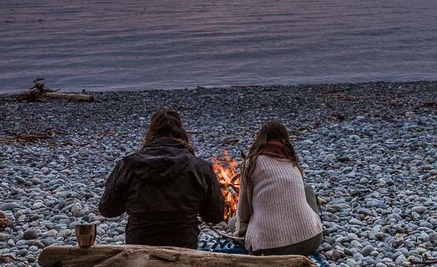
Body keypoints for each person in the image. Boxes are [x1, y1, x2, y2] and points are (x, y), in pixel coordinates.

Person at [99, 109, 224, 249]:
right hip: (184, 245)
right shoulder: (199, 167)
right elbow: (215, 215)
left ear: (150, 134)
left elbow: (108, 209)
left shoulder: (127, 165)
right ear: (181, 133)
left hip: (139, 245)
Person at [236, 121, 323, 256]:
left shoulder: (250, 164)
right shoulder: (291, 161)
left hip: (269, 249)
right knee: (307, 190)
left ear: (259, 139)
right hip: (311, 240)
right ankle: (307, 224)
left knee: (233, 223)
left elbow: (243, 212)